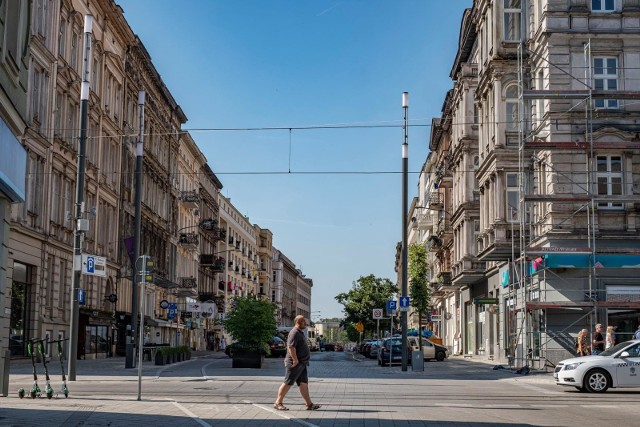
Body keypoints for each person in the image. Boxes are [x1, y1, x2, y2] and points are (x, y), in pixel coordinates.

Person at [274, 315, 321, 411]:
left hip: (302, 363)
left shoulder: (299, 332)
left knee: (303, 383)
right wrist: (295, 360)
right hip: (294, 363)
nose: (306, 323)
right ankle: (278, 402)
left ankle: (309, 404)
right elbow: (291, 347)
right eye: (304, 321)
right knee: (288, 382)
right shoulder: (294, 332)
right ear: (298, 322)